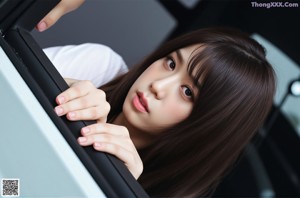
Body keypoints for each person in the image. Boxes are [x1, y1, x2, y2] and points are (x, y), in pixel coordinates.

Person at [39, 1, 276, 197]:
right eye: (170, 63)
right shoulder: (99, 67)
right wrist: (50, 91)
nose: (158, 86)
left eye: (188, 92)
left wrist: (118, 188)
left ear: (210, 124)